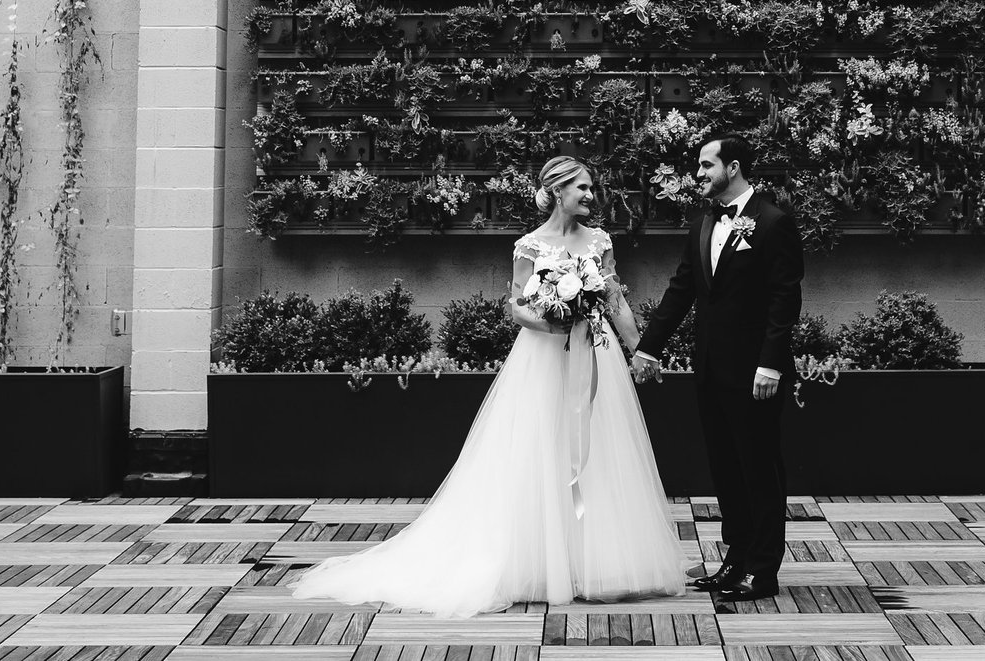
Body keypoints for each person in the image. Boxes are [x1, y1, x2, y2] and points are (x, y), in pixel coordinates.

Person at [286, 155, 684, 616]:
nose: (591, 197)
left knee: (600, 450)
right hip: (544, 359)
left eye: (592, 189)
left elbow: (615, 300)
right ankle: (536, 562)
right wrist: (555, 321)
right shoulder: (529, 247)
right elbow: (516, 308)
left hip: (596, 358)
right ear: (557, 192)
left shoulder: (599, 242)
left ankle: (599, 563)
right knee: (538, 452)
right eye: (583, 189)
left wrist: (639, 350)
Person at [631, 136, 803, 602]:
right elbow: (682, 289)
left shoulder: (773, 222)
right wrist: (648, 348)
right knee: (726, 468)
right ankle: (736, 558)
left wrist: (770, 363)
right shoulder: (704, 222)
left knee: (759, 468)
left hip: (755, 375)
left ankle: (763, 570)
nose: (699, 174)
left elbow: (784, 299)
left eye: (707, 165)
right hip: (711, 371)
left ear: (734, 167)